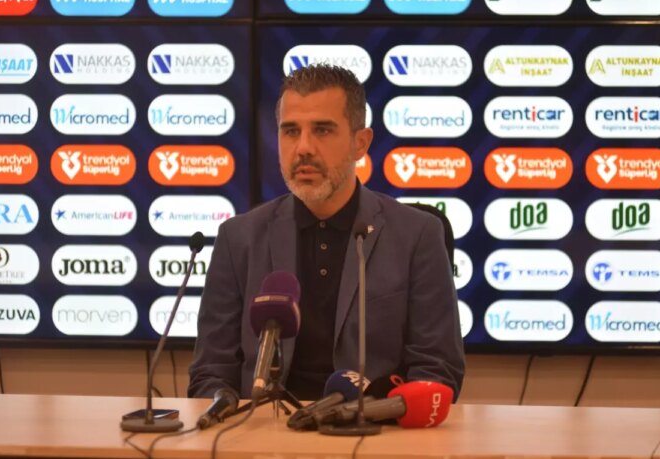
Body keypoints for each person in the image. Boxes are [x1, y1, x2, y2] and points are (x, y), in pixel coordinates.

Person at [188, 64, 465, 401]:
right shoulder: (238, 238)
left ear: (360, 143)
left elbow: (437, 371)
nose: (303, 147)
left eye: (322, 130)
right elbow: (210, 373)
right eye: (291, 131)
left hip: (374, 426)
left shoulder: (417, 235)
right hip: (263, 427)